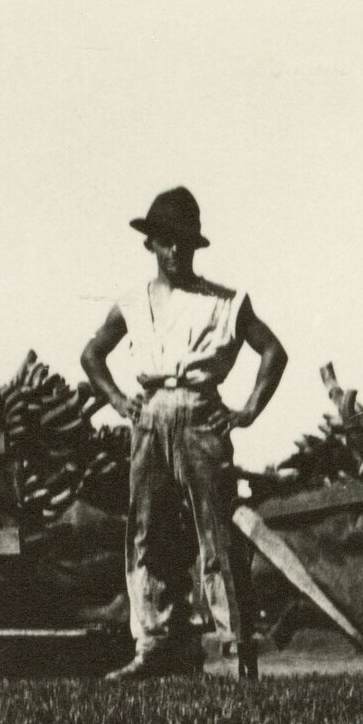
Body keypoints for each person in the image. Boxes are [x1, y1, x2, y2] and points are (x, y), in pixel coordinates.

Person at [81, 187, 288, 678]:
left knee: (215, 532)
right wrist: (115, 398)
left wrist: (247, 411)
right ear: (150, 244)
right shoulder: (131, 302)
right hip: (149, 417)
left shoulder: (224, 301)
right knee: (145, 531)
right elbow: (93, 354)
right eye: (167, 241)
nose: (176, 252)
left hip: (200, 415)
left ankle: (236, 650)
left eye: (185, 243)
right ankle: (151, 644)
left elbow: (273, 351)